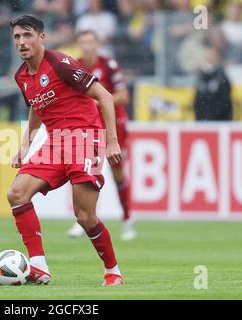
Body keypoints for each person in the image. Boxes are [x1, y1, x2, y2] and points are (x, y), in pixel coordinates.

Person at [8, 14, 123, 286]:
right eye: (16, 37)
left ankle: (113, 270)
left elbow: (105, 96)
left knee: (85, 216)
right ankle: (38, 266)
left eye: (27, 35)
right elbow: (37, 105)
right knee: (17, 193)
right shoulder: (21, 76)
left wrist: (111, 141)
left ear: (41, 38)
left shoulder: (60, 64)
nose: (22, 42)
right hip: (54, 142)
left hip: (86, 138)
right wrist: (25, 146)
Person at [67, 30, 136, 241]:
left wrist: (100, 102)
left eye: (90, 42)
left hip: (115, 125)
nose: (87, 46)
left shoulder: (109, 65)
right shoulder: (74, 67)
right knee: (86, 172)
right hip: (89, 126)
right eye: (83, 42)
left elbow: (124, 96)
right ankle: (84, 219)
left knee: (117, 173)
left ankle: (127, 219)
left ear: (97, 44)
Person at [194, 47, 233, 121]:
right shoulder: (201, 77)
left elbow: (223, 102)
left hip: (219, 121)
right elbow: (198, 101)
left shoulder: (222, 77)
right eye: (207, 58)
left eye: (211, 59)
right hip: (203, 120)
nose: (208, 61)